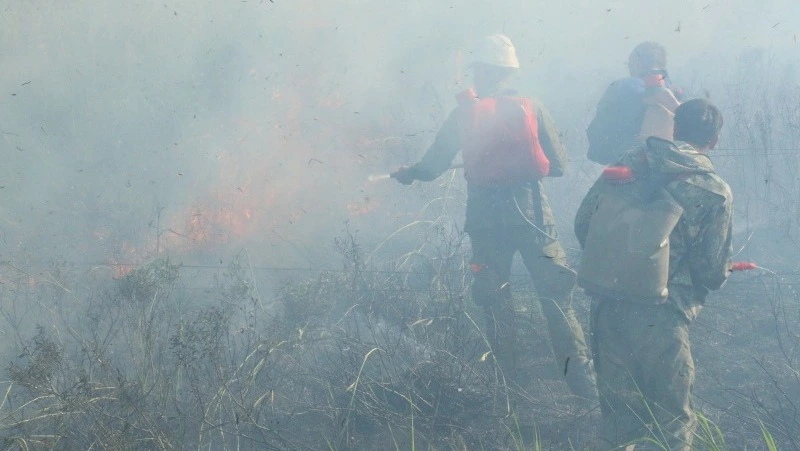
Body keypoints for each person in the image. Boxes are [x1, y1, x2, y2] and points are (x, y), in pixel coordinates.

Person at [393, 34, 595, 399]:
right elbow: (559, 166)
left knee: (495, 301)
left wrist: (410, 173)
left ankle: (509, 388)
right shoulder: (532, 106)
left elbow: (433, 165)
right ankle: (582, 385)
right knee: (557, 300)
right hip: (535, 219)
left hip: (486, 224)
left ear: (482, 71)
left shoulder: (463, 114)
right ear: (510, 71)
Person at [574, 99, 732, 450]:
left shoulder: (631, 160)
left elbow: (583, 224)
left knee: (618, 422)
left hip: (608, 305)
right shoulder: (714, 189)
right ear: (715, 140)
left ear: (674, 129)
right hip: (663, 316)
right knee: (672, 423)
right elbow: (711, 272)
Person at [586, 41, 682, 165]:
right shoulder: (676, 93)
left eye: (630, 65)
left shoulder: (623, 88)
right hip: (670, 164)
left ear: (636, 64)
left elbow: (597, 144)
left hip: (630, 164)